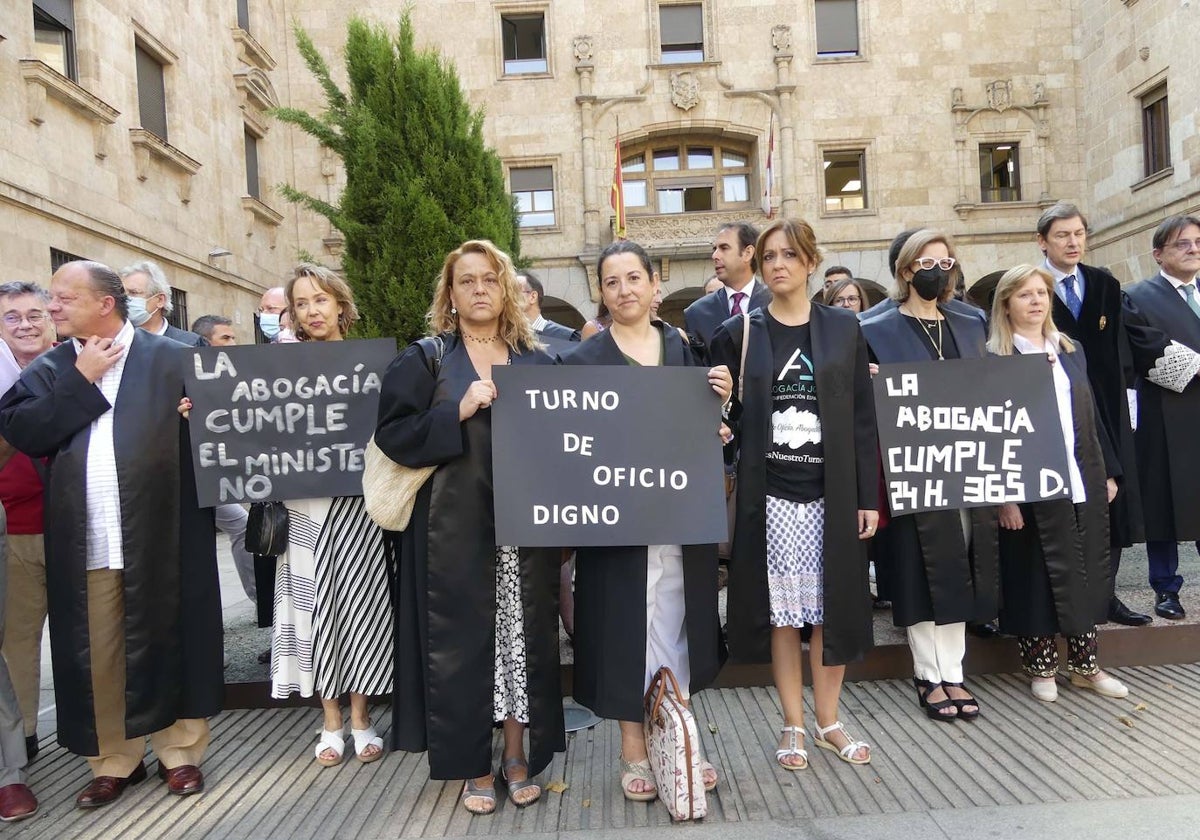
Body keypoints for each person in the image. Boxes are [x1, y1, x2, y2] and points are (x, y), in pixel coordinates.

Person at [0, 261, 222, 807]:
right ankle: (115, 760)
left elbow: (229, 426)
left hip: (162, 529)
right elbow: (24, 430)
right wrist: (82, 379)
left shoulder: (174, 357)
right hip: (87, 536)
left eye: (62, 298)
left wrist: (201, 418)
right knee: (96, 650)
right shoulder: (55, 366)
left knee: (171, 636)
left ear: (105, 304)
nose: (52, 308)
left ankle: (180, 754)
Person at [376, 240, 564, 815]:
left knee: (520, 643)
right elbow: (392, 434)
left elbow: (573, 444)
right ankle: (473, 764)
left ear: (505, 288)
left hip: (522, 534)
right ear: (450, 294)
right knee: (462, 647)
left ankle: (516, 754)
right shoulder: (427, 358)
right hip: (449, 533)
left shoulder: (540, 359)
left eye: (489, 279)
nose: (479, 289)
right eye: (466, 281)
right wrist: (454, 411)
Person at [559, 240, 729, 801]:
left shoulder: (686, 352)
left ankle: (678, 742)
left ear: (655, 285)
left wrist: (723, 407)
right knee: (625, 628)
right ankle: (634, 751)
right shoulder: (581, 362)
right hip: (616, 525)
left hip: (678, 517)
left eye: (634, 278)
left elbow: (713, 436)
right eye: (613, 281)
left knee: (679, 625)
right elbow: (568, 446)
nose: (625, 290)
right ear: (601, 293)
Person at [711, 219, 878, 770]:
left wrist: (867, 497)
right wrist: (725, 402)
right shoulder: (742, 333)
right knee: (784, 616)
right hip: (773, 496)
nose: (778, 265)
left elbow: (861, 418)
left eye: (789, 255)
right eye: (768, 257)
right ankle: (793, 724)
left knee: (831, 610)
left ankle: (830, 720)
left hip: (832, 494)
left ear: (810, 262)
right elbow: (729, 422)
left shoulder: (844, 329)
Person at [229, 264, 392, 767]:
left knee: (361, 609)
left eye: (320, 300)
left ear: (340, 305)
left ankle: (362, 718)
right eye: (301, 303)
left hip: (359, 505)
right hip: (302, 507)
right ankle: (330, 720)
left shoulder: (372, 364)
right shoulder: (275, 368)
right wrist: (205, 414)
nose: (312, 310)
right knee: (314, 607)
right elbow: (245, 427)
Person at [860, 230, 998, 723]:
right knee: (921, 568)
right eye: (927, 261)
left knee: (959, 560)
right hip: (910, 466)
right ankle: (928, 673)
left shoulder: (970, 320)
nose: (937, 270)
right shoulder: (872, 327)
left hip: (964, 460)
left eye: (946, 261)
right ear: (904, 269)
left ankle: (955, 670)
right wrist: (872, 382)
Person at [988, 265, 1129, 701]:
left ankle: (1086, 665)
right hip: (1028, 483)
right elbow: (991, 433)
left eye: (1041, 294)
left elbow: (1090, 412)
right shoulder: (994, 358)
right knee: (1035, 572)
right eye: (1025, 295)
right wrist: (1004, 497)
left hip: (1079, 473)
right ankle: (1042, 666)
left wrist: (1104, 470)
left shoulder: (1070, 349)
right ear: (1006, 304)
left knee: (1085, 567)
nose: (1035, 301)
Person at [1034, 202, 1150, 626]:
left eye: (1079, 233)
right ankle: (1059, 601)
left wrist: (1130, 403)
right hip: (1055, 410)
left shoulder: (1104, 283)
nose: (1073, 242)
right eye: (1063, 235)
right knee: (1061, 504)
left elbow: (1122, 350)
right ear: (1042, 241)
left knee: (1111, 500)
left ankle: (1106, 595)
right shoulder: (1032, 286)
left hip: (1108, 408)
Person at [1122, 214, 1200, 621]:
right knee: (1163, 502)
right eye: (1182, 244)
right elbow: (1144, 345)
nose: (1193, 249)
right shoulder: (1137, 296)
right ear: (1158, 254)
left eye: (1197, 242)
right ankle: (1166, 588)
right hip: (1165, 414)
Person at [0, 283, 55, 762]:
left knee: (93, 637)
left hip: (77, 528)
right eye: (12, 316)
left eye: (35, 313)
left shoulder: (75, 368)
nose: (25, 324)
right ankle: (24, 739)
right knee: (17, 641)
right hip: (15, 532)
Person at [684, 222, 769, 356]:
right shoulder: (696, 313)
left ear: (748, 253)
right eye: (715, 249)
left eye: (724, 248)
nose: (715, 256)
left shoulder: (776, 303)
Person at [118, 260, 207, 347]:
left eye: (134, 293)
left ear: (160, 300)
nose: (125, 299)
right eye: (122, 294)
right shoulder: (115, 341)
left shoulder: (189, 343)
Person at [517, 271, 580, 341]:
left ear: (533, 297)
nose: (507, 297)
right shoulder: (507, 339)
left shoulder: (565, 337)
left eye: (514, 291)